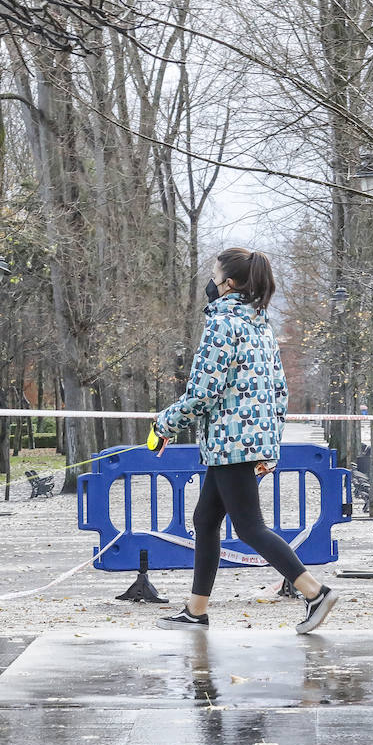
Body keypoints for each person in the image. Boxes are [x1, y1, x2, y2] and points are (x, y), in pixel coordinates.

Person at [150, 247, 339, 634]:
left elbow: (204, 391)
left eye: (215, 275)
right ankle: (195, 611)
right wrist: (269, 441)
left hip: (230, 442)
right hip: (245, 441)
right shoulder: (259, 323)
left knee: (250, 526)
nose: (210, 282)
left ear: (229, 283)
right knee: (205, 520)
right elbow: (279, 391)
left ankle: (314, 591)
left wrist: (165, 423)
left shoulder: (222, 323)